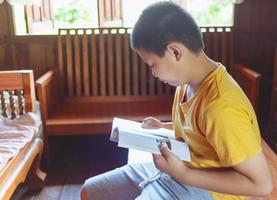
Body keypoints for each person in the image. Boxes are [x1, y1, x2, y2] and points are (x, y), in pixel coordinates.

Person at [80, 2, 273, 200]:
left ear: (175, 52)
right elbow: (200, 132)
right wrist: (163, 126)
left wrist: (183, 174)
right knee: (90, 191)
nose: (153, 73)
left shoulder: (222, 107)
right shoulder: (187, 83)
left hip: (208, 189)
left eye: (153, 64)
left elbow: (261, 185)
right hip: (180, 168)